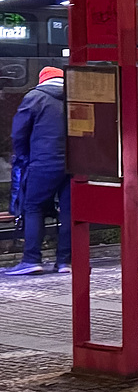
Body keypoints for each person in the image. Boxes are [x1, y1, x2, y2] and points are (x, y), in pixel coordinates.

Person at [7, 66, 70, 276]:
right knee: (70, 212)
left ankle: (31, 259)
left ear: (42, 80)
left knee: (33, 207)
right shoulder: (75, 96)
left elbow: (19, 133)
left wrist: (24, 156)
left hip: (43, 161)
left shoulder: (35, 97)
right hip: (76, 164)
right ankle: (65, 262)